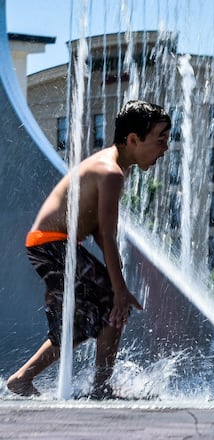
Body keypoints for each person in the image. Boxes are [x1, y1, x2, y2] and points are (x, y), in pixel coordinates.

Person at [5, 100, 171, 399]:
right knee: (109, 304)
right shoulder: (111, 173)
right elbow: (107, 234)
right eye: (160, 140)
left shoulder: (112, 166)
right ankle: (101, 387)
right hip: (51, 243)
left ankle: (22, 378)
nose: (165, 148)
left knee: (81, 320)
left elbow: (97, 227)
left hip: (51, 243)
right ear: (133, 139)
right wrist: (119, 290)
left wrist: (115, 277)